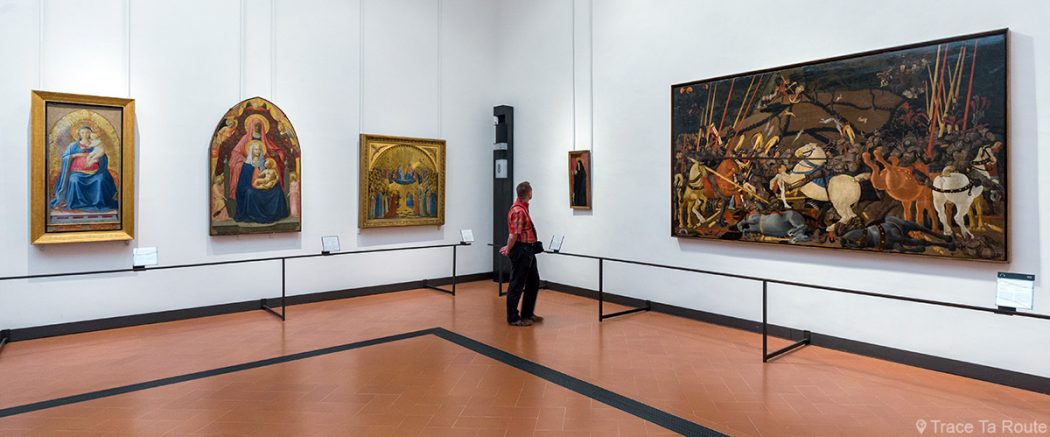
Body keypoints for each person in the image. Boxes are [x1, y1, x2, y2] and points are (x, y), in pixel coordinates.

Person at [499, 181, 543, 327]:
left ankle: (527, 313)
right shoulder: (519, 211)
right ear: (529, 193)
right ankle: (513, 317)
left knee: (533, 281)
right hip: (521, 250)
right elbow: (514, 234)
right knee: (516, 283)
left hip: (528, 249)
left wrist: (509, 246)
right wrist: (509, 248)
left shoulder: (522, 208)